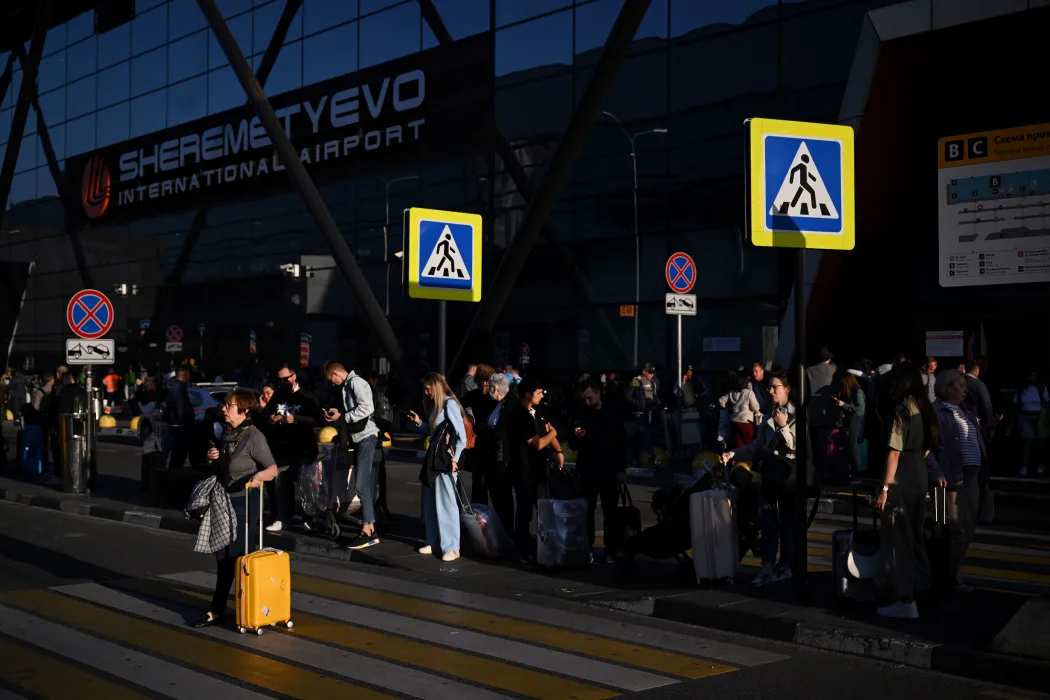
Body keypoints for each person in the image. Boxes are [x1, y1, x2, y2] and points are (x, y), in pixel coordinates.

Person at [193, 388, 278, 629]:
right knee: (222, 556)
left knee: (238, 557)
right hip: (224, 500)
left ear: (244, 409)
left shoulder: (254, 436)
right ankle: (222, 610)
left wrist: (257, 478)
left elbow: (272, 469)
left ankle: (245, 610)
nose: (224, 409)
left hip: (244, 502)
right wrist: (213, 458)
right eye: (225, 405)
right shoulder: (229, 434)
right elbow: (225, 468)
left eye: (229, 405)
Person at [874, 362, 941, 619]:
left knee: (900, 541)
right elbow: (929, 446)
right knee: (916, 537)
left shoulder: (903, 408)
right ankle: (923, 590)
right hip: (919, 475)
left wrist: (885, 487)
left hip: (902, 477)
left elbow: (894, 451)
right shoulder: (924, 407)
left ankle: (906, 600)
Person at [722, 371, 797, 586]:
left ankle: (786, 567)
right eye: (769, 388)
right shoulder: (767, 417)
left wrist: (784, 426)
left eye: (775, 387)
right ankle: (767, 568)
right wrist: (734, 454)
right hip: (768, 477)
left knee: (786, 526)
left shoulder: (796, 416)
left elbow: (795, 447)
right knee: (768, 524)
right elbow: (757, 447)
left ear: (787, 389)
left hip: (786, 480)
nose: (771, 391)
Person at [928, 369, 985, 593]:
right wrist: (936, 472)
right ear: (947, 387)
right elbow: (926, 448)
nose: (965, 390)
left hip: (971, 476)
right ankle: (945, 578)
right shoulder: (935, 411)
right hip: (949, 477)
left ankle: (951, 574)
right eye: (960, 385)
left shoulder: (965, 411)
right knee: (950, 528)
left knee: (967, 528)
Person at [407, 373, 466, 562]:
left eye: (428, 389)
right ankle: (434, 541)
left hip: (444, 461)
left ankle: (452, 547)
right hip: (434, 460)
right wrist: (420, 423)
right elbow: (434, 432)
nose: (426, 393)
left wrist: (455, 459)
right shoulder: (437, 406)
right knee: (431, 502)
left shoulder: (449, 405)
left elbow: (461, 436)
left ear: (436, 386)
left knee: (446, 503)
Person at [508, 376, 565, 562]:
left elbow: (546, 430)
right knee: (524, 511)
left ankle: (545, 547)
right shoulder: (519, 415)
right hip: (524, 470)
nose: (542, 396)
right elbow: (538, 443)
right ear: (527, 394)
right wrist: (554, 433)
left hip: (539, 469)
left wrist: (558, 450)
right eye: (539, 393)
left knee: (544, 509)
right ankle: (522, 549)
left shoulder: (537, 410)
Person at [324, 362, 380, 548]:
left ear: (335, 373)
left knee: (361, 485)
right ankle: (369, 529)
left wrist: (343, 417)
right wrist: (340, 414)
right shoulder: (350, 384)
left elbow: (367, 408)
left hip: (366, 437)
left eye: (331, 379)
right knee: (362, 485)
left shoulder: (355, 383)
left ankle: (368, 531)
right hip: (361, 438)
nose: (332, 383)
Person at [261, 365, 322, 532]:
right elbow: (267, 415)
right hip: (282, 448)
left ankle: (309, 519)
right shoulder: (278, 395)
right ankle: (283, 518)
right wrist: (271, 418)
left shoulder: (307, 396)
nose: (283, 382)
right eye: (280, 379)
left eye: (285, 379)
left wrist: (296, 419)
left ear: (294, 376)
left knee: (306, 485)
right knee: (282, 485)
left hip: (303, 448)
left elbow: (318, 420)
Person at [572, 379, 627, 562]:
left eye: (589, 398)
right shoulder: (580, 412)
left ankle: (611, 548)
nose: (587, 402)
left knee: (610, 510)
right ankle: (588, 547)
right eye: (584, 399)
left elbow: (621, 440)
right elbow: (573, 443)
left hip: (609, 467)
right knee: (587, 510)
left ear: (597, 393)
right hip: (588, 468)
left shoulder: (611, 412)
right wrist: (576, 436)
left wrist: (621, 468)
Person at [1008, 370, 1048, 476]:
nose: (1031, 378)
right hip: (1025, 417)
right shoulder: (1021, 390)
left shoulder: (1041, 389)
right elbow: (1014, 405)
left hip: (1039, 418)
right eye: (1030, 376)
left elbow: (1047, 403)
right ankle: (1024, 466)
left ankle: (1040, 465)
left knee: (1041, 443)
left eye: (1033, 376)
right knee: (1026, 442)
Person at [832, 372, 866, 478]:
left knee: (852, 447)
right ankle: (850, 472)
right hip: (848, 423)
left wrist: (843, 405)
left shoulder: (857, 392)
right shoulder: (850, 393)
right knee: (847, 448)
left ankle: (857, 473)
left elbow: (860, 410)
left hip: (854, 422)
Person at [162, 365, 194, 468]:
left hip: (175, 424)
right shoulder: (179, 387)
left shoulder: (174, 385)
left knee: (172, 453)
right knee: (177, 456)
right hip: (179, 426)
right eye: (189, 374)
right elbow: (181, 407)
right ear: (185, 374)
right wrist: (185, 422)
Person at [719, 372, 762, 448]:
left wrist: (728, 408)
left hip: (734, 422)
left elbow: (720, 401)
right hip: (746, 423)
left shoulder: (731, 393)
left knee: (739, 444)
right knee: (749, 445)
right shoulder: (749, 393)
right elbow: (756, 407)